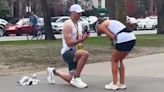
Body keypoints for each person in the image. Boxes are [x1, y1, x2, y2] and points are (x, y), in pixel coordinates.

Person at [47, 4, 90, 88]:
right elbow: (69, 43)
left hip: (75, 51)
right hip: (67, 52)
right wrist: (82, 40)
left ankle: (53, 71)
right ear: (72, 13)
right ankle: (77, 78)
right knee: (85, 54)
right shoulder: (68, 25)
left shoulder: (79, 24)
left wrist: (83, 39)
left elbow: (78, 40)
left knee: (70, 79)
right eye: (78, 13)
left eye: (81, 13)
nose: (80, 15)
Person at [96, 18, 136, 90]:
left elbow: (113, 37)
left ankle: (114, 84)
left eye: (97, 27)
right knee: (120, 60)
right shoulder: (113, 23)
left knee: (114, 60)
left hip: (123, 38)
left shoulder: (103, 24)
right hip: (132, 38)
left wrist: (112, 40)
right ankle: (122, 83)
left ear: (99, 24)